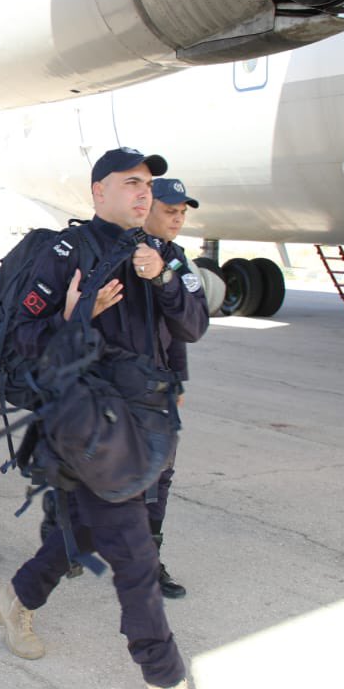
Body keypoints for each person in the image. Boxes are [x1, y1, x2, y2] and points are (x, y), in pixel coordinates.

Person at [0, 148, 207, 689]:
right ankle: (165, 681)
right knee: (134, 551)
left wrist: (161, 279)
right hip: (86, 424)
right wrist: (74, 316)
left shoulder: (163, 254)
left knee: (83, 530)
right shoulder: (67, 254)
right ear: (98, 192)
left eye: (148, 184)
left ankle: (17, 597)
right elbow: (16, 341)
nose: (143, 192)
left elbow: (194, 325)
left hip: (146, 422)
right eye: (130, 182)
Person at [140, 177, 203, 600]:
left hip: (159, 386)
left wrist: (178, 376)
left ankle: (149, 562)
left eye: (182, 212)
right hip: (115, 387)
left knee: (159, 476)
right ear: (145, 207)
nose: (178, 219)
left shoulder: (177, 260)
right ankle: (64, 536)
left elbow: (184, 327)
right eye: (169, 211)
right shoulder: (119, 254)